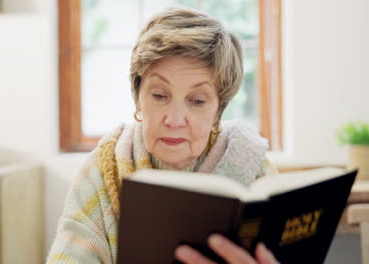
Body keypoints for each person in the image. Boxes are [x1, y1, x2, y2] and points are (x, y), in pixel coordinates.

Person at [47, 7, 279, 264]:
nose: (175, 120)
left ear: (217, 111)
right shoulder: (101, 173)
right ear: (138, 99)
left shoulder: (257, 173)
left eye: (197, 100)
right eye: (159, 96)